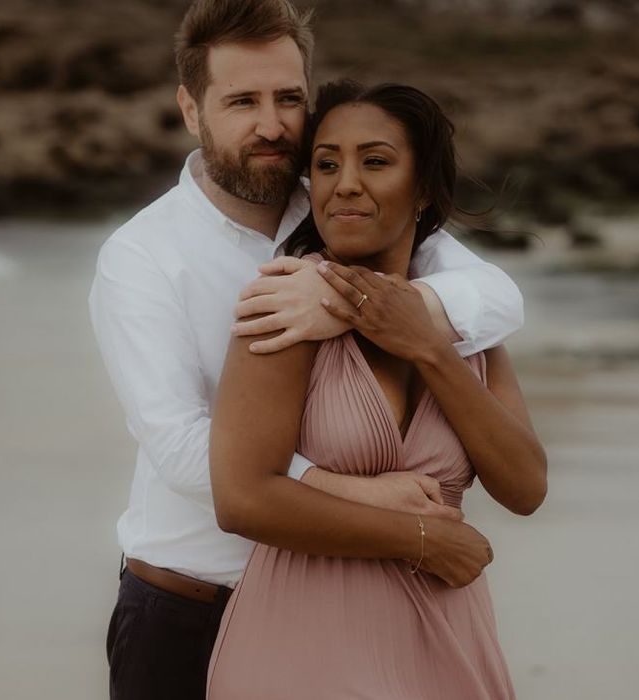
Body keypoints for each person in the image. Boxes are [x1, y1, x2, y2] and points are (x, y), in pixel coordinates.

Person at [88, 1, 525, 699]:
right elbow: (177, 447)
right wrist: (354, 493)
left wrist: (356, 302)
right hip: (193, 607)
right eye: (242, 102)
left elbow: (497, 296)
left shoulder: (340, 201)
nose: (272, 126)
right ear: (191, 109)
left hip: (338, 611)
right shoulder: (142, 257)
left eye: (289, 98)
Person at [206, 80, 547, 700]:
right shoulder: (285, 308)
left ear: (422, 190)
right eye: (327, 164)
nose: (347, 183)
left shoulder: (465, 322)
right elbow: (242, 499)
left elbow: (525, 486)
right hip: (302, 651)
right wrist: (420, 538)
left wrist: (427, 345)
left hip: (448, 644)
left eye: (376, 161)